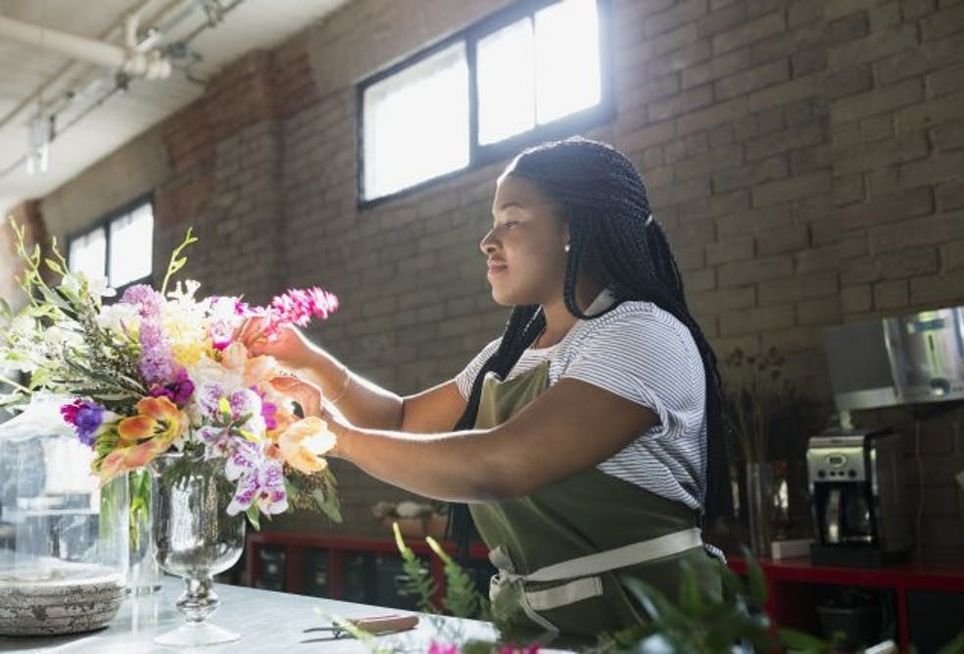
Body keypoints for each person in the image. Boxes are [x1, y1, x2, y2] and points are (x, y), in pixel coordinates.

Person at [239, 136, 732, 637]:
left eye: (511, 221)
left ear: (573, 227)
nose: (488, 240)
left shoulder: (638, 334)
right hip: (543, 631)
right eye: (494, 221)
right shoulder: (512, 354)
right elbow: (401, 420)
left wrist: (336, 439)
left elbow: (502, 463)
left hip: (653, 631)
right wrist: (310, 361)